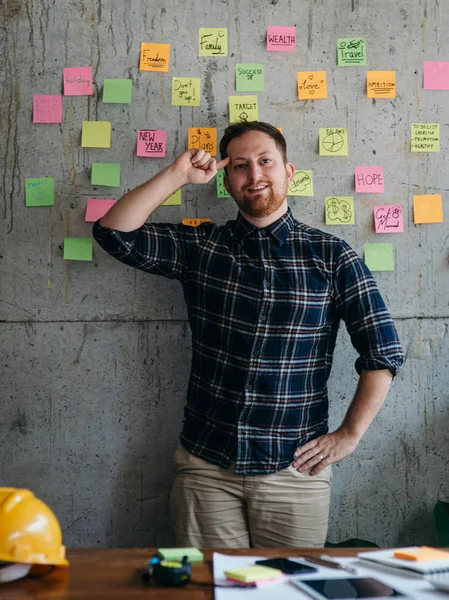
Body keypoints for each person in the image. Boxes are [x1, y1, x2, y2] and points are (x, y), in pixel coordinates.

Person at [93, 121, 404, 548]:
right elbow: (113, 233)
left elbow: (383, 351)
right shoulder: (202, 248)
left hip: (294, 471)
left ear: (288, 172)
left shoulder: (333, 257)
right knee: (209, 591)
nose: (254, 175)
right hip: (206, 467)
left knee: (289, 593)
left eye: (265, 161)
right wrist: (178, 175)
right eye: (240, 165)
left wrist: (349, 435)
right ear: (227, 179)